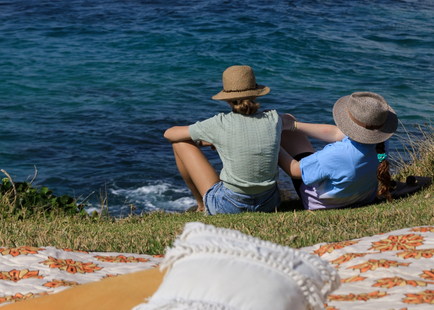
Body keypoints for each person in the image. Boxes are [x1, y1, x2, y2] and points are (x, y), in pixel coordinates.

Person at [164, 65, 296, 214]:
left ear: (227, 99)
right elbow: (282, 122)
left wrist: (206, 140)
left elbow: (169, 134)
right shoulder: (273, 119)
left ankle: (201, 205)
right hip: (270, 203)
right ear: (256, 94)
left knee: (180, 143)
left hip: (229, 206)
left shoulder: (219, 123)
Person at [283, 91, 398, 210]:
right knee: (288, 120)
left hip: (320, 203)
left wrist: (274, 145)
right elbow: (336, 133)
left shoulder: (337, 154)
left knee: (285, 127)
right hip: (361, 197)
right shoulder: (381, 142)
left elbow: (294, 171)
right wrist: (292, 125)